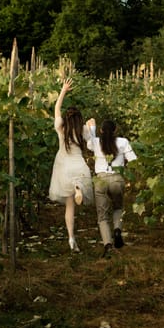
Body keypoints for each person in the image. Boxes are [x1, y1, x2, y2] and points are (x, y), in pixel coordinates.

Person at [48, 78, 94, 253]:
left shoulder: (61, 127)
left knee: (69, 207)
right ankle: (78, 187)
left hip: (64, 166)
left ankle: (71, 238)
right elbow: (92, 139)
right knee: (78, 185)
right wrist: (92, 125)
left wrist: (63, 90)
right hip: (79, 165)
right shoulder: (82, 130)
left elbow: (56, 109)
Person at [86, 117, 138, 258]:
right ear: (116, 130)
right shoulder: (123, 142)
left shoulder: (96, 142)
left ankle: (108, 245)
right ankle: (117, 230)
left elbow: (89, 142)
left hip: (100, 179)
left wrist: (93, 129)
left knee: (102, 215)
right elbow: (133, 160)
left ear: (101, 130)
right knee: (118, 207)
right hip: (116, 178)